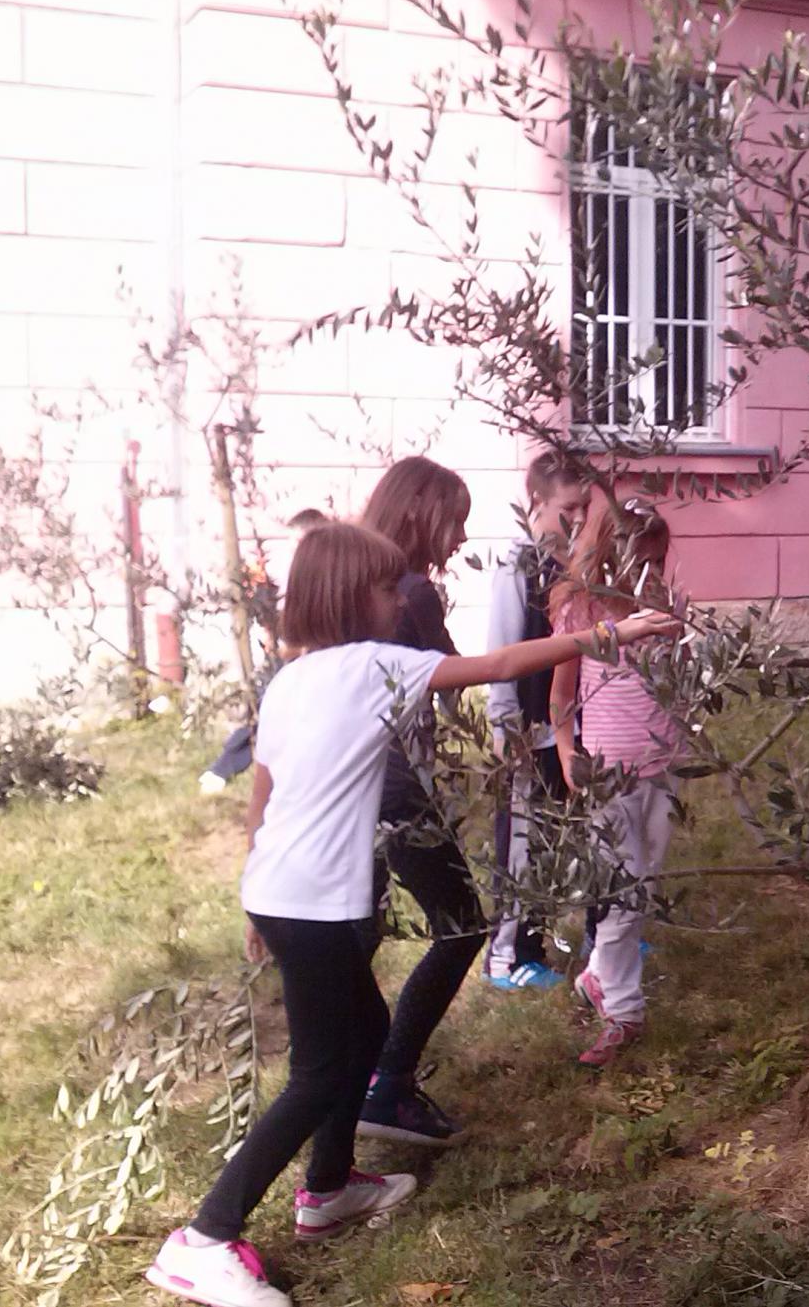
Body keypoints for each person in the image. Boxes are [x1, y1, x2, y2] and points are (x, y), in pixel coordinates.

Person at [145, 520, 677, 1307]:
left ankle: (328, 1190)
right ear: (348, 596)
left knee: (364, 1029)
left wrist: (253, 892)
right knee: (320, 1071)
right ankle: (204, 1238)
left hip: (281, 891)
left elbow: (263, 792)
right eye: (386, 587)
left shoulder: (289, 678)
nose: (401, 599)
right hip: (313, 904)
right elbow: (500, 664)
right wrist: (611, 634)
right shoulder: (377, 665)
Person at [352, 458, 489, 1147]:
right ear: (418, 513)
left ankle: (343, 1083)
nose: (460, 538)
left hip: (345, 785)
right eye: (454, 521)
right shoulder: (412, 593)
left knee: (359, 936)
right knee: (463, 924)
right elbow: (455, 675)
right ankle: (388, 1082)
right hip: (397, 786)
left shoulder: (352, 584)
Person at [550, 492, 683, 1068]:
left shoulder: (665, 605)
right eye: (638, 558)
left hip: (664, 768)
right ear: (609, 552)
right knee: (624, 891)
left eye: (656, 559)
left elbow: (679, 682)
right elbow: (560, 693)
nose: (648, 571)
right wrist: (566, 754)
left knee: (643, 885)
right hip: (608, 773)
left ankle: (597, 974)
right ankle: (624, 1011)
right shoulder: (581, 612)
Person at [483, 450, 593, 990]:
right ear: (536, 503)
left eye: (585, 507)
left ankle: (536, 944)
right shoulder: (516, 567)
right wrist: (504, 725)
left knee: (551, 840)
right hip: (527, 729)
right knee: (522, 839)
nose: (578, 518)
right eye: (568, 508)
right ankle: (505, 957)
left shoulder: (573, 565)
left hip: (561, 728)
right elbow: (500, 652)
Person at [199, 507, 331, 795]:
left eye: (298, 543)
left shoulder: (327, 579)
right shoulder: (292, 576)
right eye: (291, 543)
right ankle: (225, 767)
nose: (293, 551)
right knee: (264, 706)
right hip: (291, 659)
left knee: (270, 706)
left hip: (310, 661)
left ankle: (225, 769)